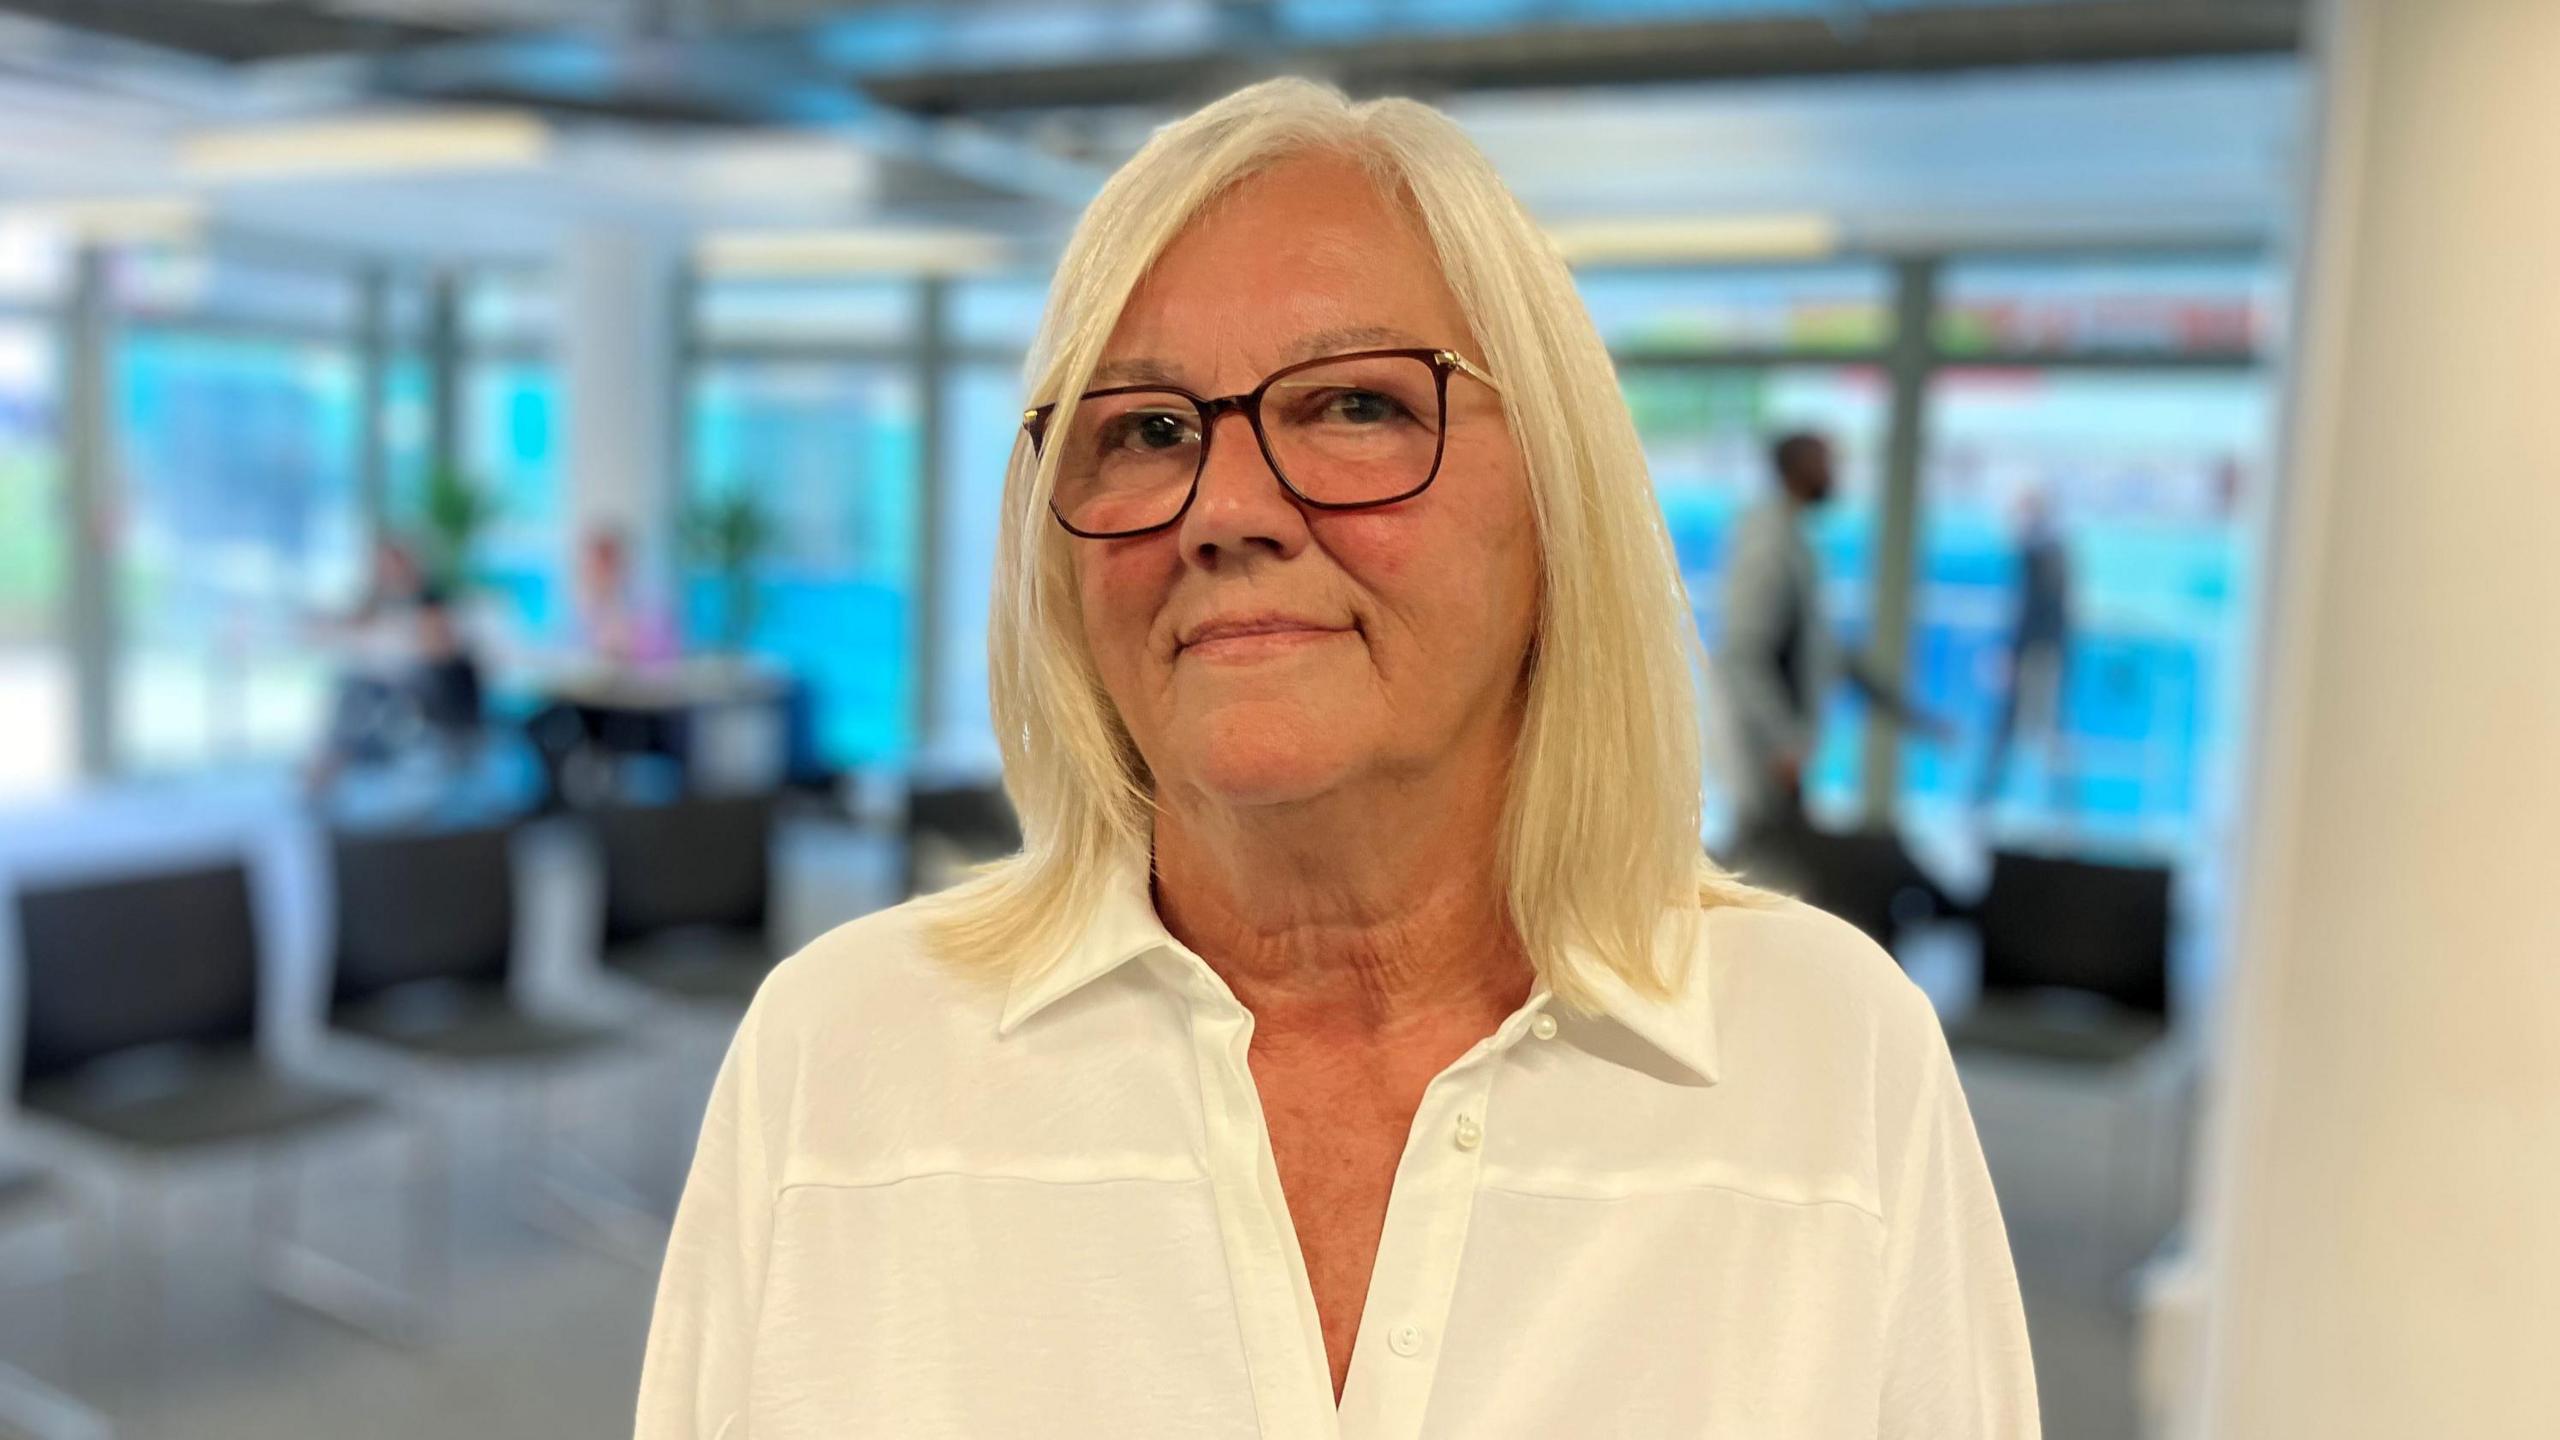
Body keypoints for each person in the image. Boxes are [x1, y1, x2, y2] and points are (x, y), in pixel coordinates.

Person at [637, 78, 2037, 1439]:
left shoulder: (1827, 1066)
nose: (1225, 510)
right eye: (1144, 431)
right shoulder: (841, 1062)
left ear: (1557, 501)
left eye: (1357, 406)